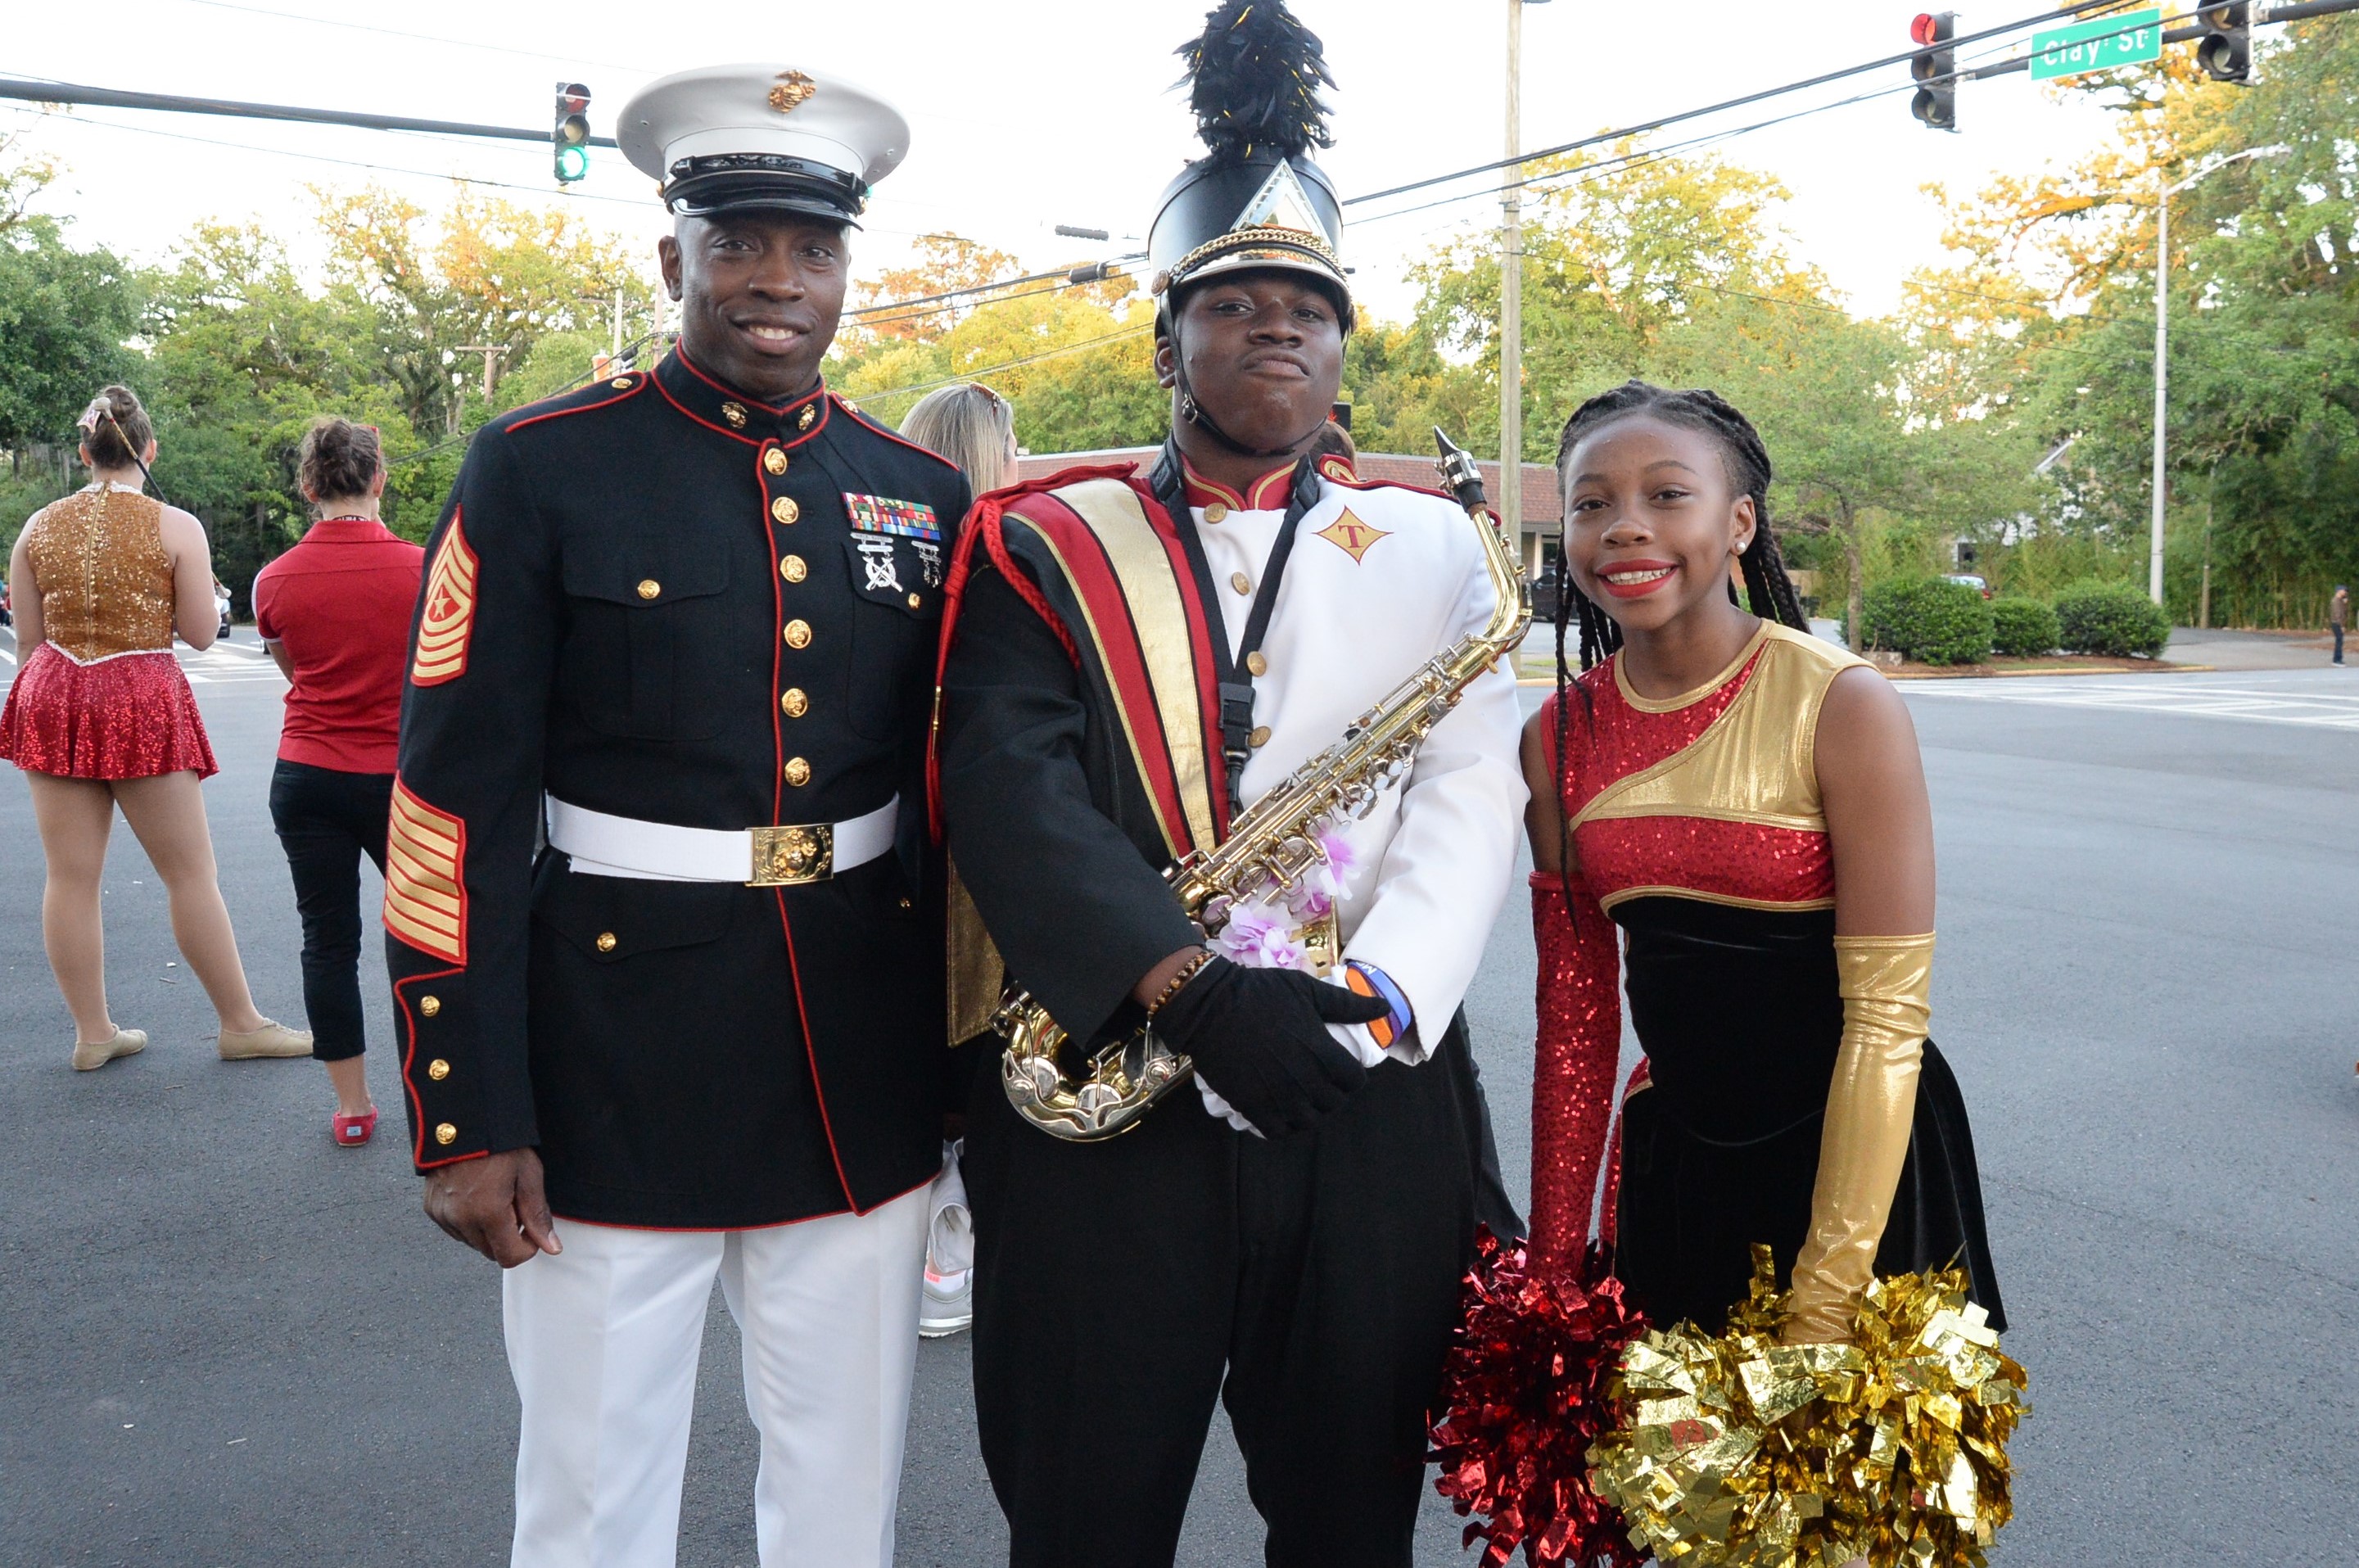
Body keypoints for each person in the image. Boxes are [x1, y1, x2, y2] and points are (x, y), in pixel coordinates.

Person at [934, 6, 1525, 1561]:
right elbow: (1008, 787)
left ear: (1343, 348)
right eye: (1238, 303)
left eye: (1310, 310)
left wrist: (1385, 1002)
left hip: (1356, 1086)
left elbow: (1473, 796)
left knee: (1347, 1517)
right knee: (1083, 1510)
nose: (1279, 329)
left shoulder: (1435, 548)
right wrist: (1189, 992)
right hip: (1117, 1073)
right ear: (1167, 341)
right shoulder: (1043, 538)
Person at [387, 65, 968, 1568]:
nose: (778, 281)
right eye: (740, 242)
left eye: (813, 249)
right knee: (590, 1490)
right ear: (673, 259)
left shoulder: (914, 488)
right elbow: (449, 805)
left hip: (856, 1053)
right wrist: (467, 1110)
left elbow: (960, 795)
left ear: (850, 269)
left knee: (846, 1486)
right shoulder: (539, 466)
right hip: (606, 1053)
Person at [1516, 380, 2003, 1341]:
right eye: (1590, 502)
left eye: (1665, 495)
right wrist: (1553, 1272)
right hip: (1678, 1165)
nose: (1623, 526)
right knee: (1658, 1487)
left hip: (1861, 1156)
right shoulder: (1557, 738)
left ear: (1738, 522)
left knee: (1837, 1488)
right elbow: (1573, 1017)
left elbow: (1887, 1015)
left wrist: (1825, 1301)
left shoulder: (1841, 704)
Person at [0, 385, 311, 1069]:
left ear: (84, 453)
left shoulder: (35, 527)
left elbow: (28, 642)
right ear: (149, 450)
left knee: (70, 877)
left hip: (52, 693)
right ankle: (240, 1023)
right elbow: (203, 633)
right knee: (190, 873)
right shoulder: (177, 526)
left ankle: (93, 1033)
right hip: (139, 693)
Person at [252, 418, 425, 1145]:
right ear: (378, 478)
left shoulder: (275, 579)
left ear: (308, 486)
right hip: (404, 781)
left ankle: (353, 1107)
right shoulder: (425, 567)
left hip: (309, 774)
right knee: (429, 937)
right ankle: (447, 1098)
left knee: (328, 940)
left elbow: (293, 669)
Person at [895, 379, 1018, 1343]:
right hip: (986, 830)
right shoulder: (1016, 550)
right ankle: (959, 1236)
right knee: (986, 1028)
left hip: (894, 827)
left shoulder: (886, 553)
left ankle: (927, 1231)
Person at [2331, 584, 2347, 665]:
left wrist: (2344, 603)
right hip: (2337, 623)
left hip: (2337, 623)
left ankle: (2338, 658)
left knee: (2340, 641)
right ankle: (2336, 659)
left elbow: (2343, 612)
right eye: (2344, 590)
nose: (2345, 592)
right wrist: (2342, 626)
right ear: (2339, 591)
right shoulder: (2336, 601)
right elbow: (2338, 614)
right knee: (2339, 641)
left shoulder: (2340, 601)